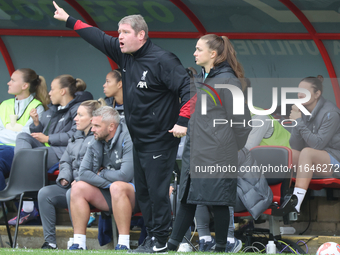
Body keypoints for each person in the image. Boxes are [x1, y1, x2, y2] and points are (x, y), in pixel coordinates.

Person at [53, 3, 190, 252]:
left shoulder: (163, 60)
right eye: (119, 32)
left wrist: (183, 121)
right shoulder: (125, 55)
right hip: (138, 139)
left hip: (160, 138)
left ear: (141, 35)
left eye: (125, 32)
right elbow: (98, 37)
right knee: (145, 193)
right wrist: (68, 19)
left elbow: (188, 89)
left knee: (158, 193)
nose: (120, 37)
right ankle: (152, 238)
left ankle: (160, 240)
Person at [167, 34, 251, 252]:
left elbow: (243, 123)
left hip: (217, 153)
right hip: (196, 151)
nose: (194, 53)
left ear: (213, 54)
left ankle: (221, 247)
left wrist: (228, 146)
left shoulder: (228, 80)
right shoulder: (206, 79)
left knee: (219, 200)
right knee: (187, 198)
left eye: (198, 49)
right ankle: (171, 246)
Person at [8, 74, 93, 226]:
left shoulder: (77, 109)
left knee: (31, 157)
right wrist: (36, 124)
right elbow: (40, 133)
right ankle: (29, 201)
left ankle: (28, 204)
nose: (48, 93)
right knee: (22, 137)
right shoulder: (54, 109)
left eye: (52, 89)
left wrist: (48, 139)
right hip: (51, 151)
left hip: (65, 154)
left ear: (63, 91)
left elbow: (75, 135)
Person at [38, 99, 105, 249]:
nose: (75, 118)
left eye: (80, 115)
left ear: (92, 118)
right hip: (71, 184)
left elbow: (99, 166)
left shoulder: (99, 137)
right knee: (44, 193)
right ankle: (50, 243)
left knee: (73, 193)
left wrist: (81, 180)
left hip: (91, 188)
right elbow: (65, 161)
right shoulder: (75, 136)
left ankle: (78, 241)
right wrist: (64, 178)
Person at [67, 106, 134, 250]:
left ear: (111, 127)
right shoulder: (96, 140)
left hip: (134, 194)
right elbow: (83, 173)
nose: (92, 130)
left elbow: (125, 176)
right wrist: (108, 184)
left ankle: (123, 244)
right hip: (110, 192)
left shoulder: (128, 138)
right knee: (78, 187)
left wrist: (102, 174)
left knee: (118, 186)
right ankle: (79, 243)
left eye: (97, 126)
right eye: (92, 125)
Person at [289, 76, 340, 213]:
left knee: (307, 152)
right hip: (314, 162)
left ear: (317, 94)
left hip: (336, 162)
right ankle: (280, 199)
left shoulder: (331, 113)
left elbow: (318, 145)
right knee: (289, 154)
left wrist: (299, 122)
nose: (300, 94)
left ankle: (295, 204)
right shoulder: (303, 111)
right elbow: (295, 145)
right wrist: (297, 121)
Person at [0, 68, 49, 191]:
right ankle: (7, 203)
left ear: (25, 85)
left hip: (17, 151)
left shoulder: (37, 106)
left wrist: (6, 132)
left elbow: (26, 136)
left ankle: (7, 202)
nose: (8, 83)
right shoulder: (4, 104)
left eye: (12, 80)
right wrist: (16, 131)